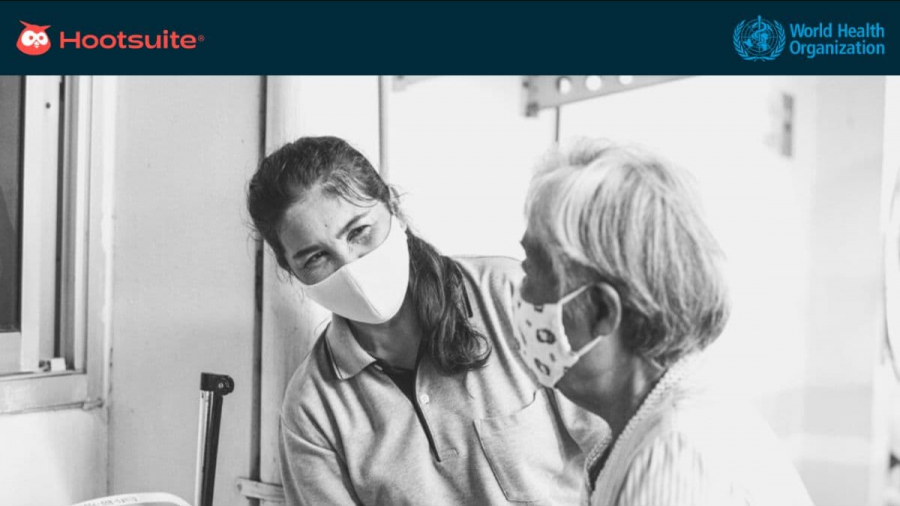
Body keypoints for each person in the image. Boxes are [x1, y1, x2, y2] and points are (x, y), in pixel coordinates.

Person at [246, 136, 605, 506]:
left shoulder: (511, 296)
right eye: (315, 257)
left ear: (394, 209)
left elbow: (616, 443)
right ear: (292, 273)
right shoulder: (312, 409)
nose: (349, 265)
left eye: (359, 232)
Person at [511, 138, 814, 506]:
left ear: (602, 311)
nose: (518, 294)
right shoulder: (652, 425)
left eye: (530, 270)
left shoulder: (674, 457)